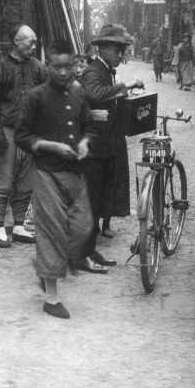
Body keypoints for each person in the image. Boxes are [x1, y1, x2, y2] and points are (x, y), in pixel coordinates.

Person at [15, 40, 95, 319]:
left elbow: (89, 126)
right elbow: (22, 136)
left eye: (68, 66)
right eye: (57, 66)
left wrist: (84, 142)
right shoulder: (35, 97)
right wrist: (52, 146)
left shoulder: (79, 93)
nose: (63, 72)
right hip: (47, 173)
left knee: (83, 227)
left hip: (75, 172)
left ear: (75, 65)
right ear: (47, 65)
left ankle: (47, 267)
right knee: (52, 232)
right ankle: (51, 298)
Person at [79, 23, 144, 271]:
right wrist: (125, 88)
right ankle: (82, 254)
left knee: (98, 201)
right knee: (90, 201)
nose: (120, 54)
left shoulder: (106, 70)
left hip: (105, 146)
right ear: (103, 48)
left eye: (122, 49)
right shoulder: (92, 71)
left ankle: (90, 251)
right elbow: (94, 94)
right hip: (94, 148)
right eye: (116, 49)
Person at [0, 24, 46, 248]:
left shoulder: (38, 68)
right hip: (6, 131)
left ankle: (18, 226)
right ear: (17, 42)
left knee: (25, 182)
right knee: (2, 183)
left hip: (29, 133)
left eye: (35, 42)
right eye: (31, 42)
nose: (34, 46)